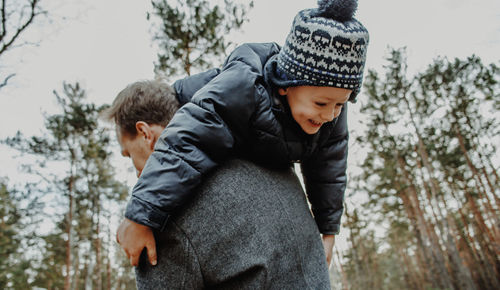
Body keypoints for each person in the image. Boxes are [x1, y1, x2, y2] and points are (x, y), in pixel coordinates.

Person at [117, 0, 369, 272]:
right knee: (197, 131)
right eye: (321, 104)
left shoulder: (329, 108)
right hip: (204, 107)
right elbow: (189, 141)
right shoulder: (243, 88)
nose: (330, 115)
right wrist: (140, 216)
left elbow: (329, 167)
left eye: (340, 104)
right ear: (286, 85)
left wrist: (328, 231)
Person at [104, 79, 331, 289]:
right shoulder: (275, 163)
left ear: (145, 134)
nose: (136, 172)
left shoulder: (160, 218)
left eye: (128, 154)